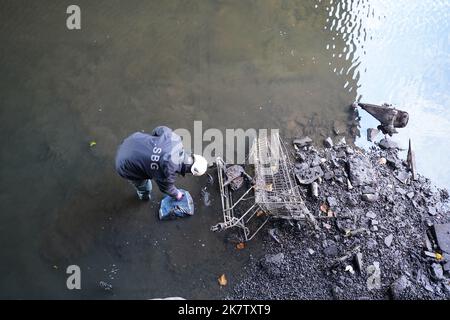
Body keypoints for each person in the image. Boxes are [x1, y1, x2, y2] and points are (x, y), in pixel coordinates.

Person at [115, 126, 208, 200]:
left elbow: (158, 129)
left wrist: (155, 145)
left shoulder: (175, 139)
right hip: (124, 164)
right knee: (145, 186)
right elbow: (166, 188)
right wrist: (178, 195)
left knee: (149, 168)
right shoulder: (168, 173)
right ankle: (144, 196)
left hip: (132, 140)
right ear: (191, 171)